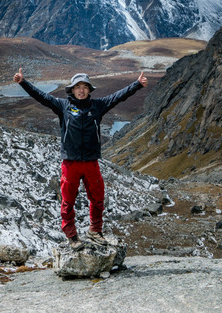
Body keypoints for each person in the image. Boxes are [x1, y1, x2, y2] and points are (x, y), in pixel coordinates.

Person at [14, 67, 146, 249]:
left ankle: (95, 231)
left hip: (91, 162)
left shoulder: (98, 106)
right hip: (71, 163)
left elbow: (118, 97)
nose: (81, 90)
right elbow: (42, 97)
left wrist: (137, 85)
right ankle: (72, 236)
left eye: (85, 87)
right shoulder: (63, 106)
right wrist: (23, 82)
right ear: (72, 90)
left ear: (89, 90)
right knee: (68, 201)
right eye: (78, 87)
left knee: (98, 198)